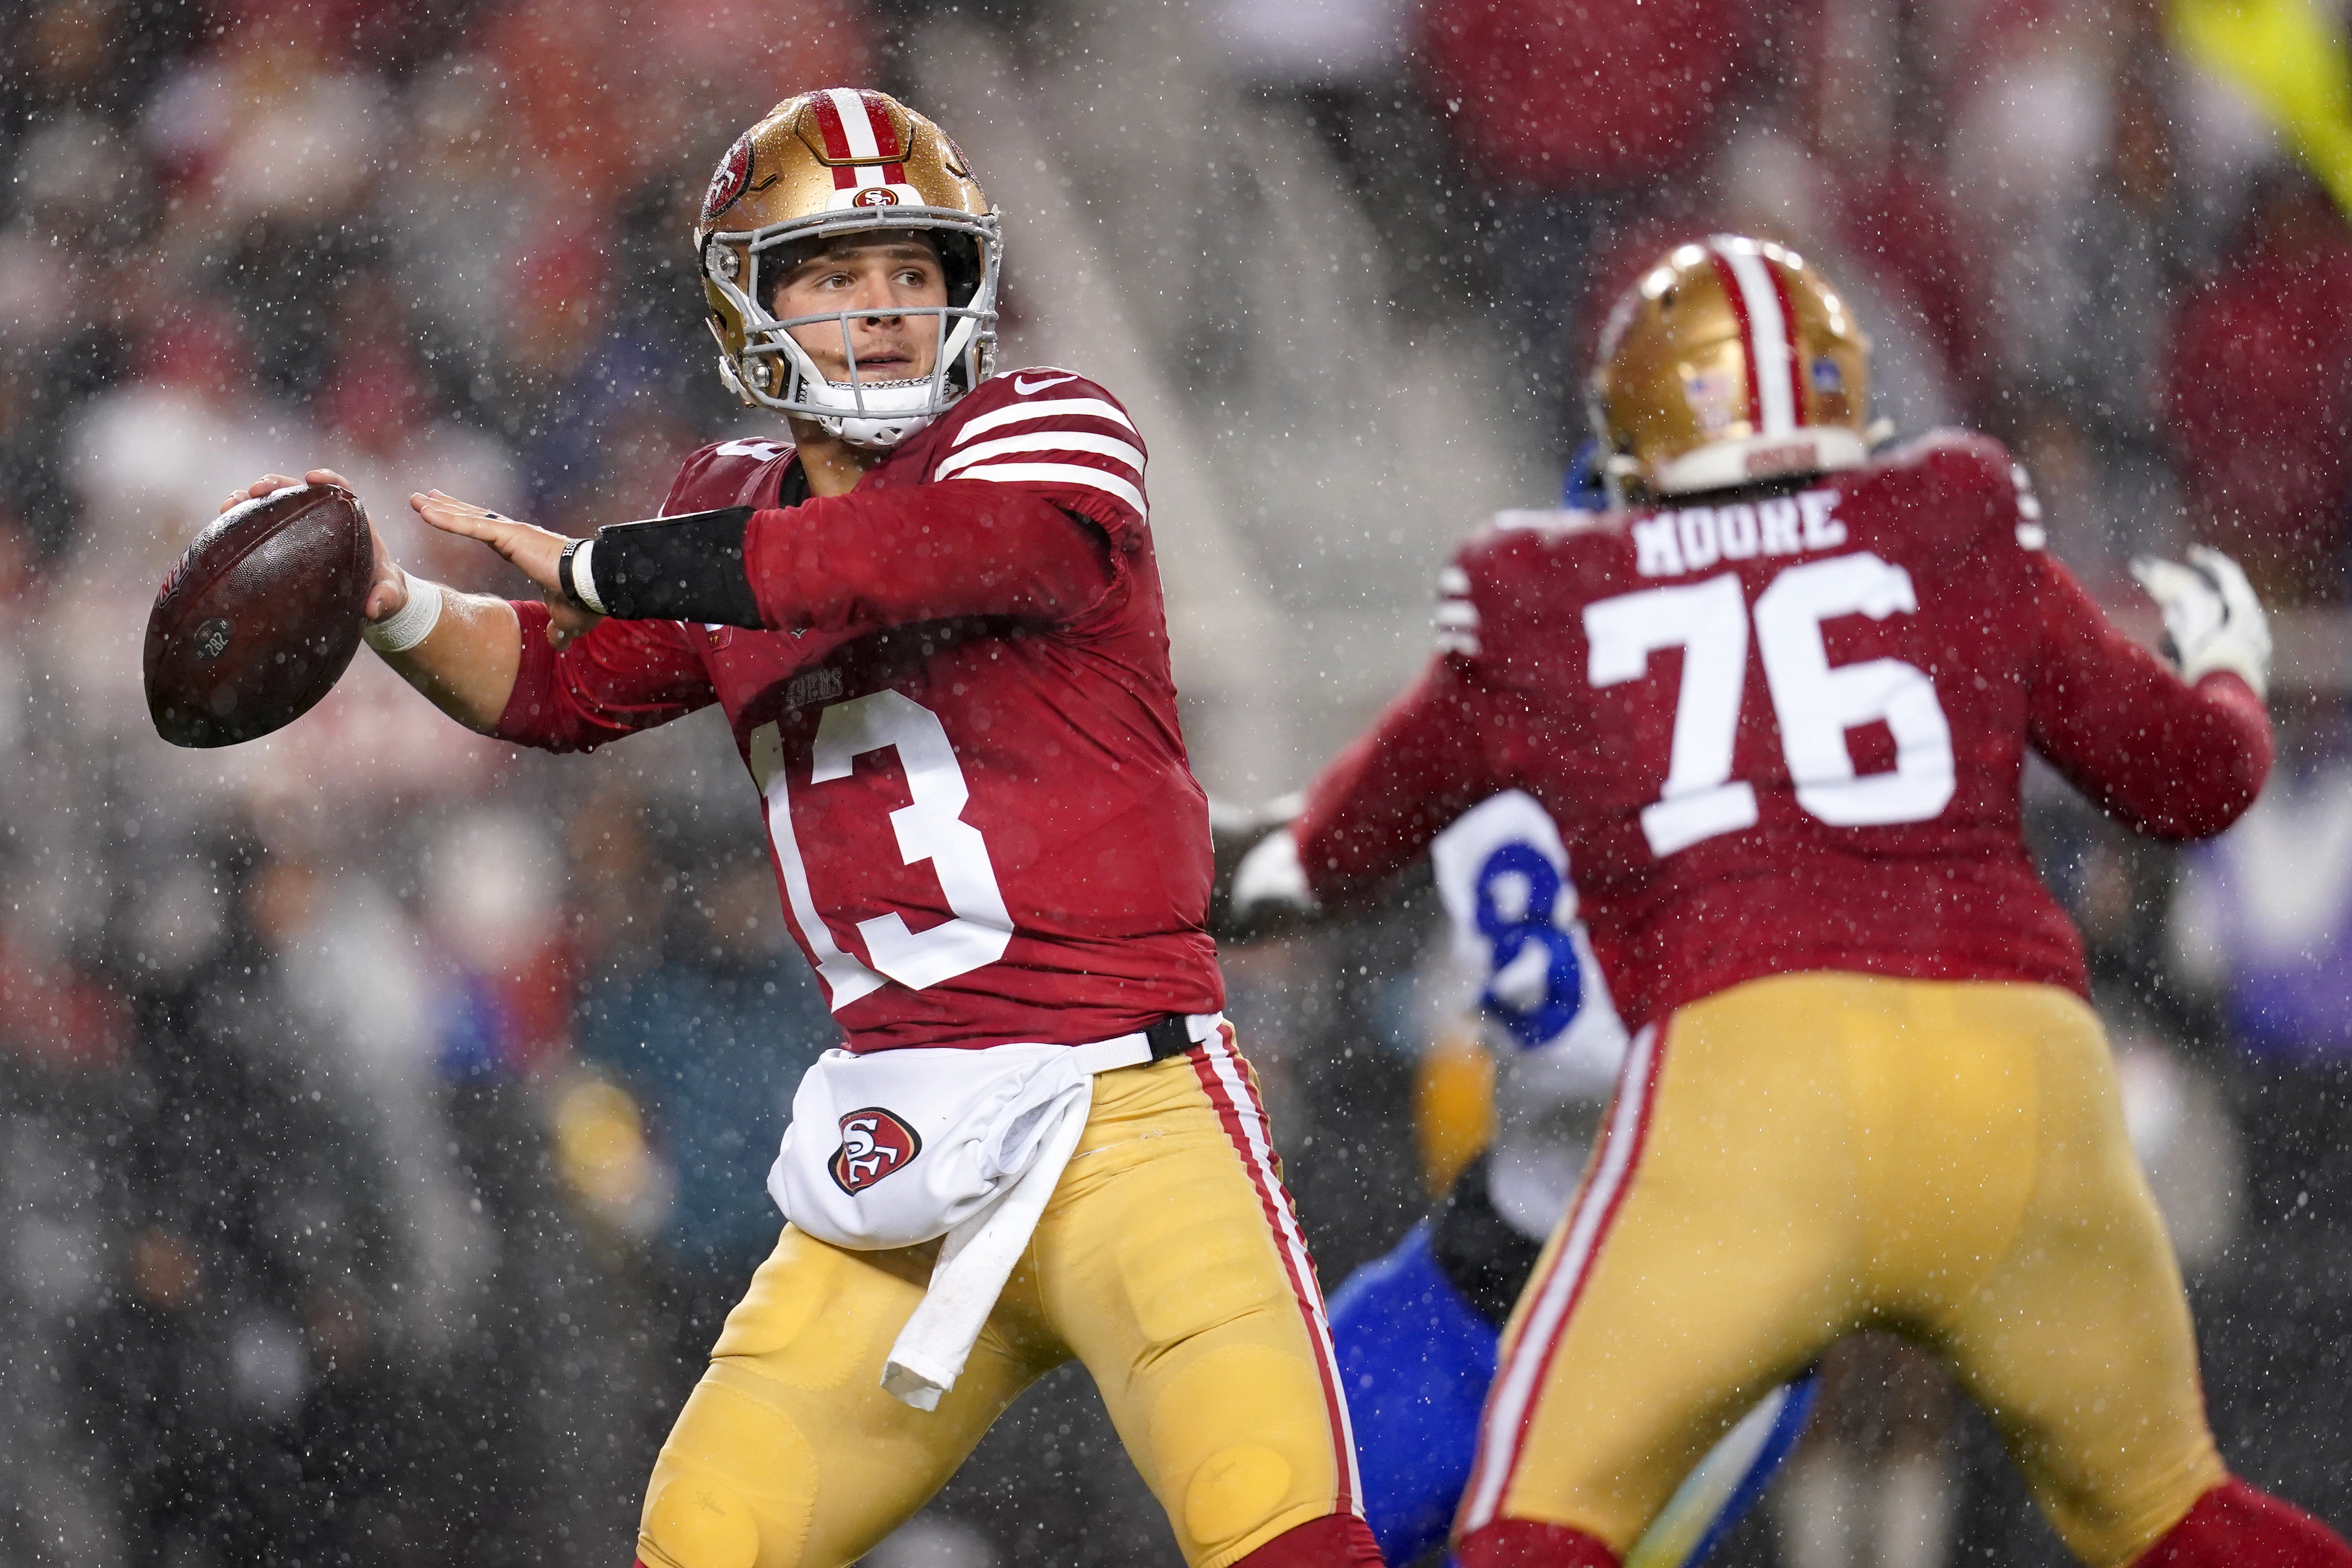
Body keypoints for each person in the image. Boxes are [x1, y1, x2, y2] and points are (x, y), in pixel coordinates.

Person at [224, 89, 1379, 1568]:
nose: (887, 309)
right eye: (835, 272)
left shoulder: (1051, 430)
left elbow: (919, 555)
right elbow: (560, 688)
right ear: (747, 301)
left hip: (1131, 1119)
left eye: (915, 270)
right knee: (708, 1536)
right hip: (894, 1132)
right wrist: (391, 606)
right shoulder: (724, 514)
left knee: (1286, 1533)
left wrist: (630, 563)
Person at [1225, 234, 2352, 1568]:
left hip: (1743, 1111)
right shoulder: (1955, 516)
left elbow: (1309, 864)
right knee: (2182, 1514)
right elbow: (2198, 779)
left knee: (1528, 1531)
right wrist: (2223, 668)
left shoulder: (1548, 605)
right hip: (2018, 1076)